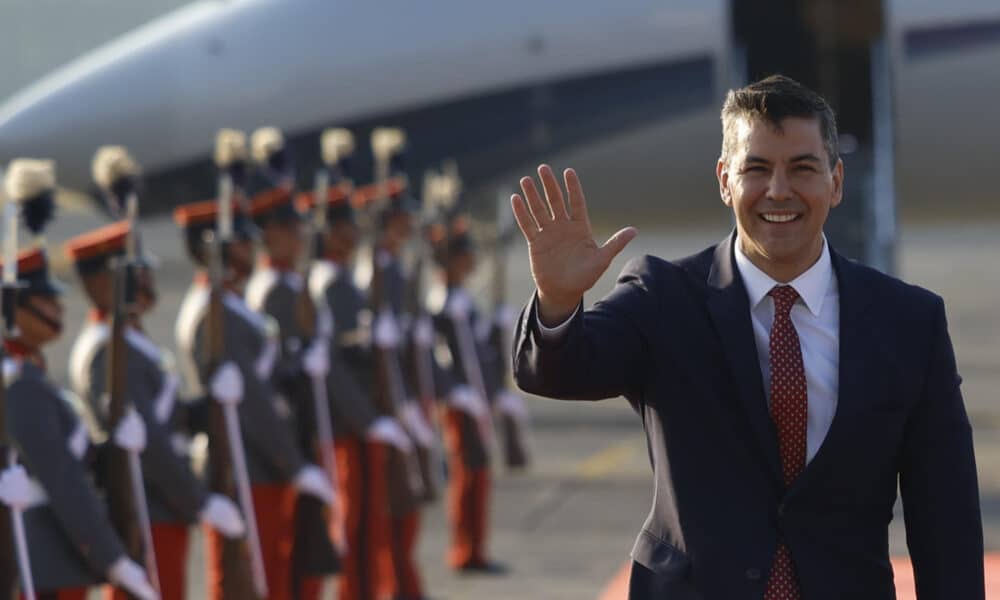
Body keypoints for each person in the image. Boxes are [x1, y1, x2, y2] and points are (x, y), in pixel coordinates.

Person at [510, 74, 984, 599]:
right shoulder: (663, 297)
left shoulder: (908, 321)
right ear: (724, 180)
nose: (778, 191)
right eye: (756, 168)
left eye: (802, 168)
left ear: (837, 181)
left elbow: (946, 519)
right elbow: (561, 368)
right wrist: (557, 301)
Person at [64, 216, 246, 600]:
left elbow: (168, 419)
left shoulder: (130, 340)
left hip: (162, 504)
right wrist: (198, 500)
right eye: (136, 274)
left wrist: (212, 404)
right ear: (101, 283)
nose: (147, 282)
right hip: (146, 506)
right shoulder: (107, 350)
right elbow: (150, 441)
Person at [0, 159, 156, 600]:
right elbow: (63, 481)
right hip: (42, 564)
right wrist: (114, 559)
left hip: (55, 560)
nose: (59, 309)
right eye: (47, 299)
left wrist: (112, 446)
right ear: (16, 311)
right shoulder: (19, 386)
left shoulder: (30, 377)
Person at [173, 194, 334, 600]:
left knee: (273, 574)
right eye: (242, 242)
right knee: (247, 580)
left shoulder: (232, 302)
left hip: (261, 461)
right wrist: (294, 464)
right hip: (245, 461)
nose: (252, 247)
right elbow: (254, 402)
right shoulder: (216, 311)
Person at [298, 169, 412, 600]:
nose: (353, 232)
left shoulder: (342, 278)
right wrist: (368, 420)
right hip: (349, 425)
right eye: (344, 224)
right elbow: (339, 362)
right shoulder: (331, 282)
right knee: (357, 522)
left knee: (370, 522)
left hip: (360, 419)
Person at [245, 129, 341, 598]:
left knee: (306, 548)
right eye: (292, 228)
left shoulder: (289, 284)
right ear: (271, 234)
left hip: (302, 428)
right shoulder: (270, 291)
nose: (301, 235)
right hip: (283, 436)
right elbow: (268, 372)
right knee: (283, 554)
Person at [428, 214, 504, 574]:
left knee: (479, 473)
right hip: (460, 404)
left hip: (478, 400)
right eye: (466, 253)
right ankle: (463, 549)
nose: (473, 260)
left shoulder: (463, 300)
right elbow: (434, 357)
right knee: (465, 473)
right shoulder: (441, 302)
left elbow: (481, 352)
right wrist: (454, 391)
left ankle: (477, 547)